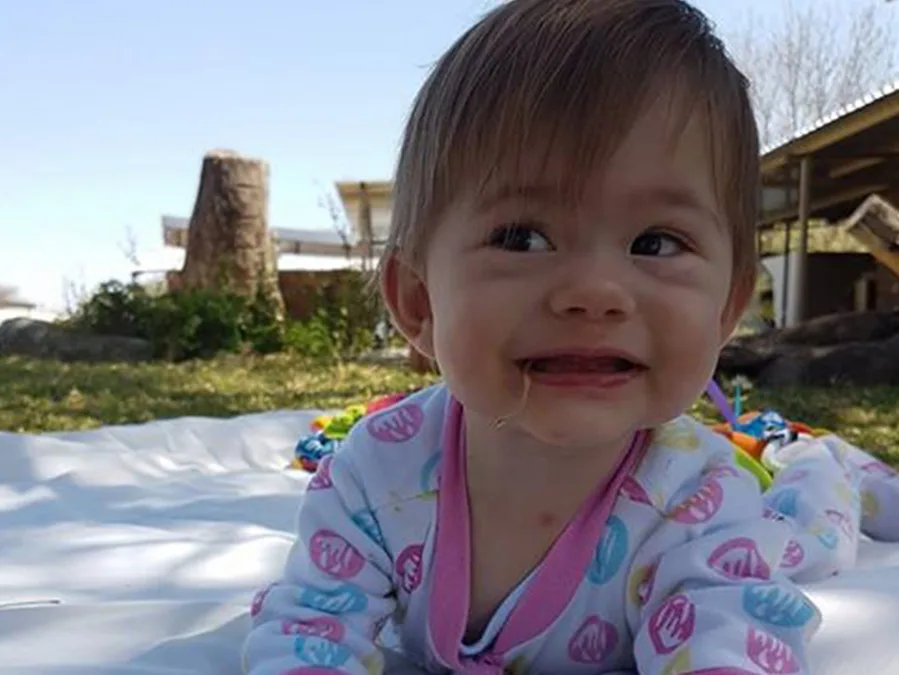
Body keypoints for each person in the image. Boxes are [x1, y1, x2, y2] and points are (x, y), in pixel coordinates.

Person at [242, 1, 883, 672]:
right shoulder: (378, 473)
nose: (595, 291)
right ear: (418, 299)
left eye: (656, 242)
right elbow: (309, 625)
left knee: (813, 531)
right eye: (522, 237)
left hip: (773, 520)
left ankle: (831, 471)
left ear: (726, 307)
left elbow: (731, 640)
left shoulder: (703, 503)